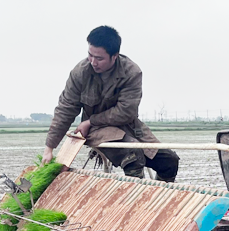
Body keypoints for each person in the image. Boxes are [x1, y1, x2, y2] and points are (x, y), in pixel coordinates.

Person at [42, 26, 179, 182]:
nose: (93, 62)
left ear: (115, 56)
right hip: (95, 131)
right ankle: (136, 201)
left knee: (169, 161)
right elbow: (65, 109)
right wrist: (49, 148)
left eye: (99, 58)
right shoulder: (80, 73)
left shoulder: (131, 73)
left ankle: (157, 198)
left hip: (127, 126)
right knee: (133, 156)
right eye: (90, 55)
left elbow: (126, 112)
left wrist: (90, 121)